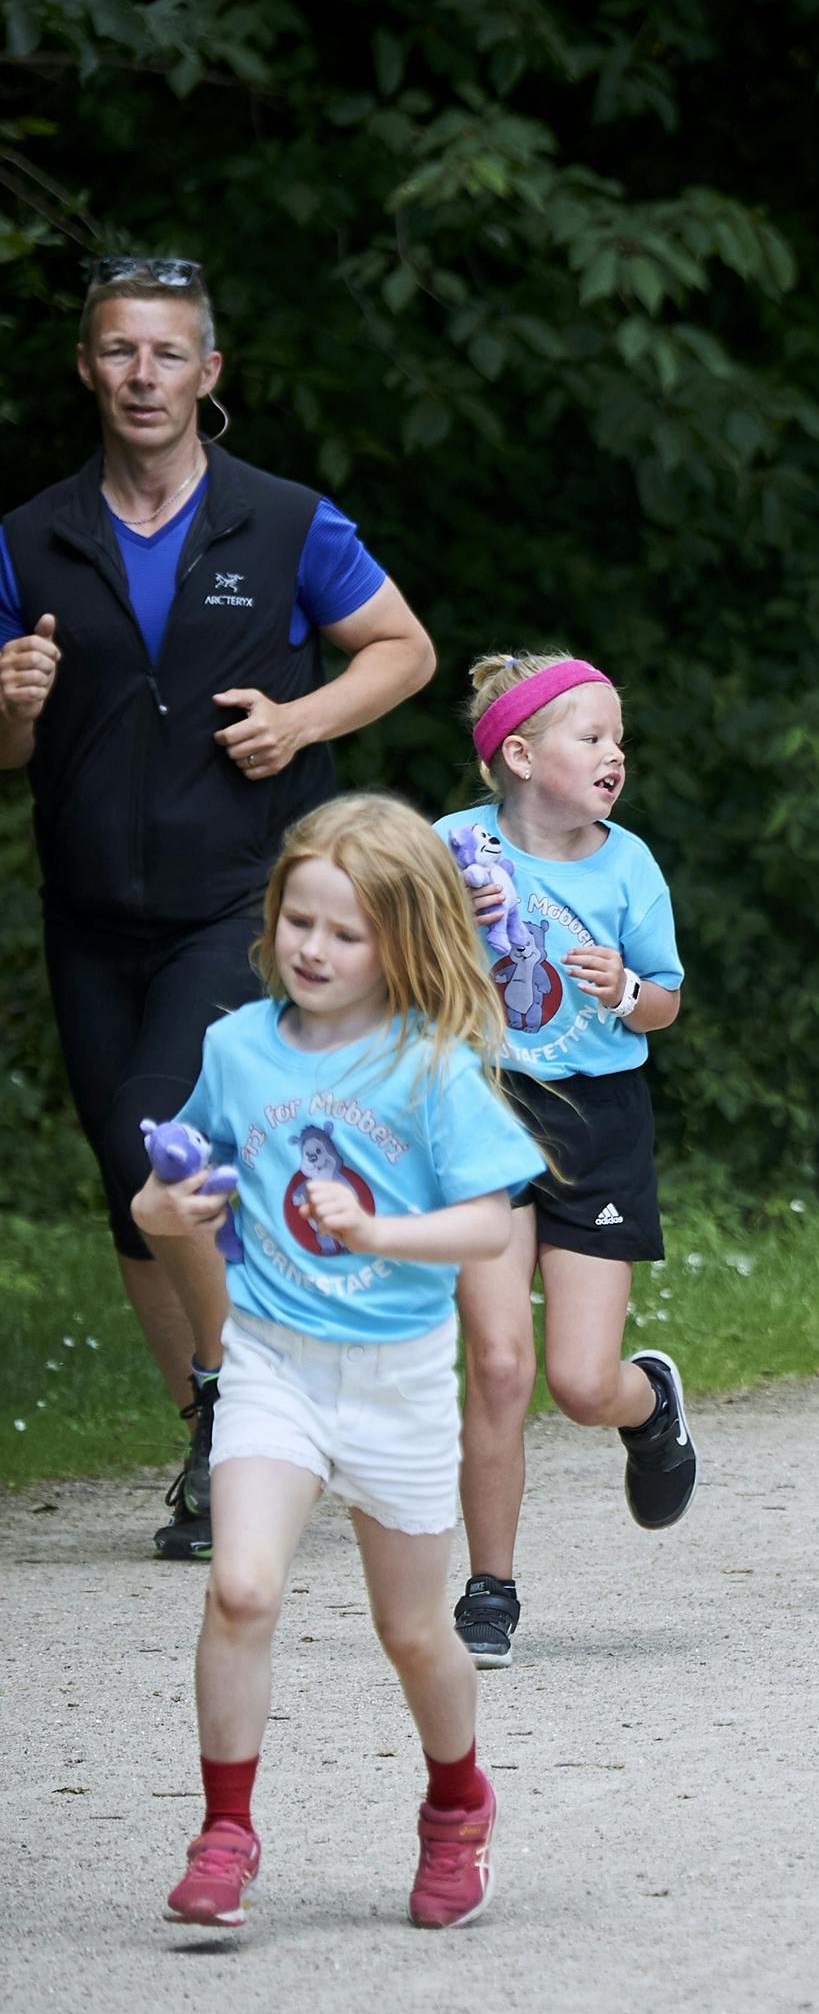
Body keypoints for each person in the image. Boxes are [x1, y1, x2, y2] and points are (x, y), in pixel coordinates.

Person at [0, 255, 437, 1563]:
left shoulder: (283, 520)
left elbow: (403, 650)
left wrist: (302, 720)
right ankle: (213, 1429)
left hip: (240, 903)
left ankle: (245, 1416)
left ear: (209, 374)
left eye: (168, 352)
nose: (144, 375)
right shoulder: (29, 538)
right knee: (125, 1177)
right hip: (88, 906)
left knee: (154, 1147)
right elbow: (6, 755)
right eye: (120, 351)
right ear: (89, 367)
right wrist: (12, 705)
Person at [142, 795, 544, 1932]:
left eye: (346, 931)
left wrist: (376, 1233)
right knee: (241, 1585)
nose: (313, 949)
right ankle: (226, 1831)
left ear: (404, 942)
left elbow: (483, 1226)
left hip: (398, 1383)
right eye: (298, 920)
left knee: (413, 1632)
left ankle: (457, 1803)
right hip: (271, 1362)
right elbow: (163, 1191)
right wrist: (163, 1198)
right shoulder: (237, 1048)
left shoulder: (431, 1067)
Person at [435, 654, 700, 1670]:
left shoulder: (628, 865)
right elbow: (383, 962)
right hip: (480, 1109)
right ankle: (490, 1587)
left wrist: (626, 987)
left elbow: (668, 1001)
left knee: (580, 1383)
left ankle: (650, 1403)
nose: (614, 753)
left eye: (617, 736)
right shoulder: (451, 847)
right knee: (499, 1366)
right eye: (591, 735)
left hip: (597, 1120)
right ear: (518, 752)